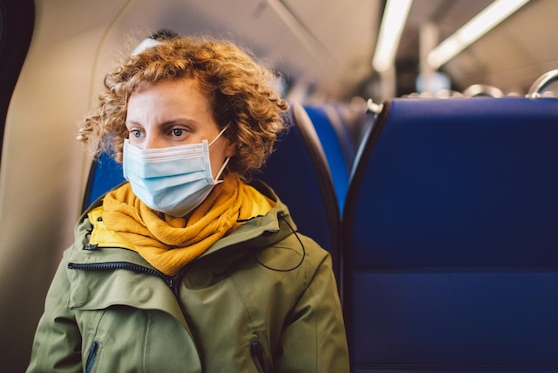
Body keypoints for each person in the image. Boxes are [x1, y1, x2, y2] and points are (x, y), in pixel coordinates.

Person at [26, 33, 349, 373]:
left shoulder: (299, 268)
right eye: (136, 132)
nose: (148, 151)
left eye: (176, 131)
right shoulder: (86, 254)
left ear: (232, 139)